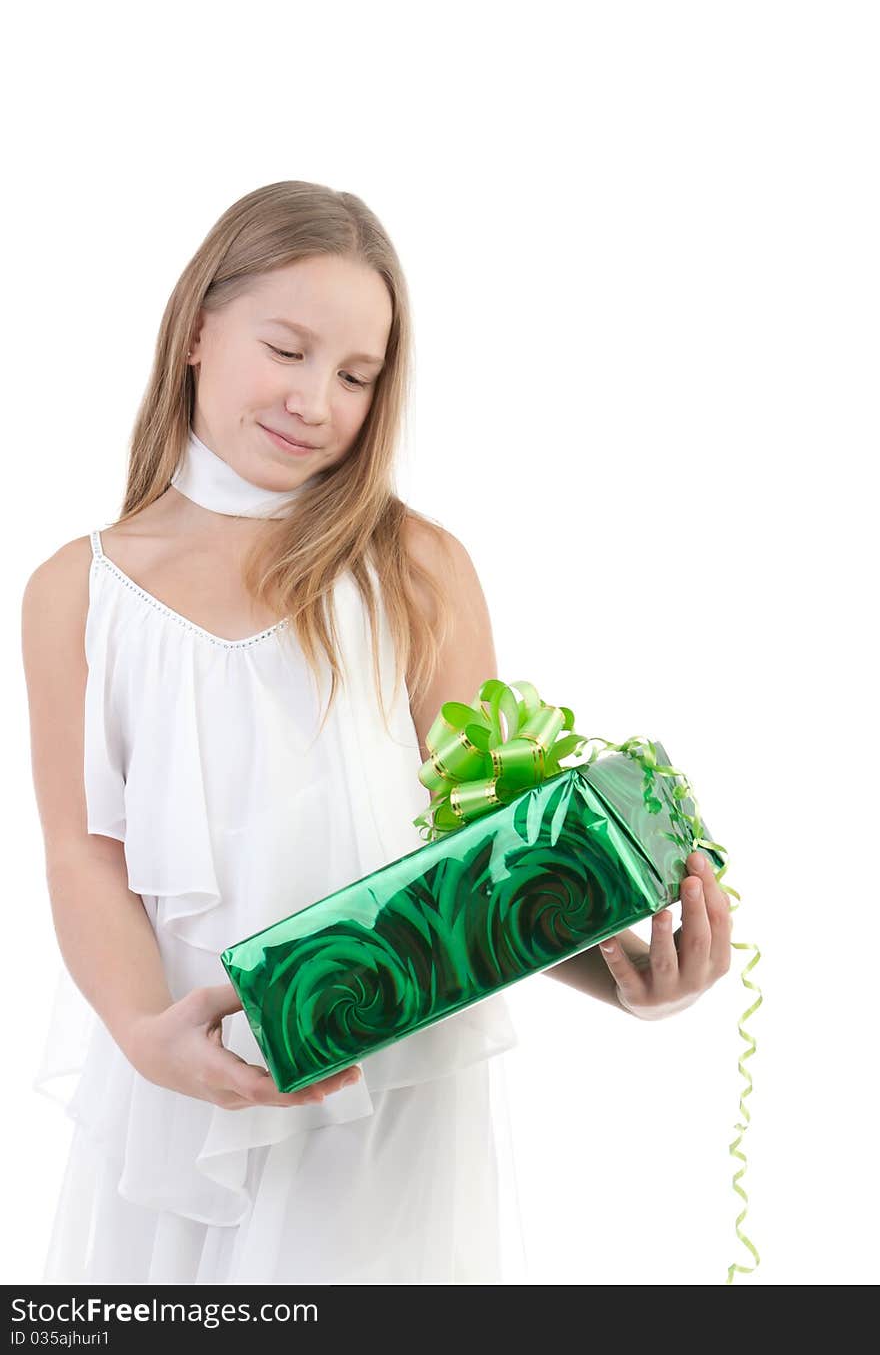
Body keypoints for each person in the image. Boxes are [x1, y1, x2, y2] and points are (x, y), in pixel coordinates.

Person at [22, 180, 732, 1286]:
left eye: (355, 376)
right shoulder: (80, 590)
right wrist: (142, 1032)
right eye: (287, 349)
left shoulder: (412, 567)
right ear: (198, 328)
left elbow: (486, 851)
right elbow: (83, 853)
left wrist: (619, 974)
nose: (315, 399)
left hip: (387, 1096)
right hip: (184, 1081)